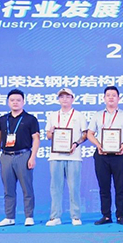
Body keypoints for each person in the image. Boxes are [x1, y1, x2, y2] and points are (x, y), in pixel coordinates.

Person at [0, 89, 40, 227]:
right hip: (6, 156)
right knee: (8, 189)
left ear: (23, 102)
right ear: (8, 102)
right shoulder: (2, 120)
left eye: (18, 100)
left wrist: (32, 157)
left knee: (27, 188)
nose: (15, 102)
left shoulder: (30, 119)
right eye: (12, 100)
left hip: (23, 155)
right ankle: (9, 217)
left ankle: (29, 216)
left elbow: (36, 139)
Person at [87, 86, 123, 226]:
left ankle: (120, 216)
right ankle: (106, 215)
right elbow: (90, 134)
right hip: (102, 155)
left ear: (118, 98)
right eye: (108, 95)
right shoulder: (97, 115)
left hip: (120, 154)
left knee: (120, 186)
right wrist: (98, 145)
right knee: (104, 187)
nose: (111, 97)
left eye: (114, 95)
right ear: (104, 98)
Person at [45, 87, 88, 227]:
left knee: (74, 187)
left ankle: (75, 216)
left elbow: (85, 134)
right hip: (55, 156)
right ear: (58, 99)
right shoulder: (52, 115)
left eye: (67, 96)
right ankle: (55, 217)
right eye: (62, 96)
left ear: (72, 99)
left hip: (73, 156)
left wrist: (75, 144)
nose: (64, 99)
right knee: (55, 188)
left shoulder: (79, 115)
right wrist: (51, 133)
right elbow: (48, 135)